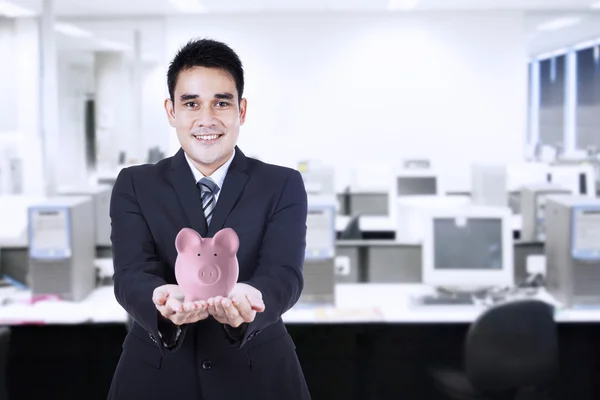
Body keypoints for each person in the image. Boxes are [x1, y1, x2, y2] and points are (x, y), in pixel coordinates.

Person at [107, 38, 311, 400]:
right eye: (191, 103)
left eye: (221, 102)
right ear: (171, 112)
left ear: (241, 110)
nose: (206, 119)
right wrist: (160, 300)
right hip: (156, 377)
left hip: (258, 375)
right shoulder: (135, 184)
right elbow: (130, 273)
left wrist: (252, 301)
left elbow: (285, 273)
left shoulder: (282, 184)